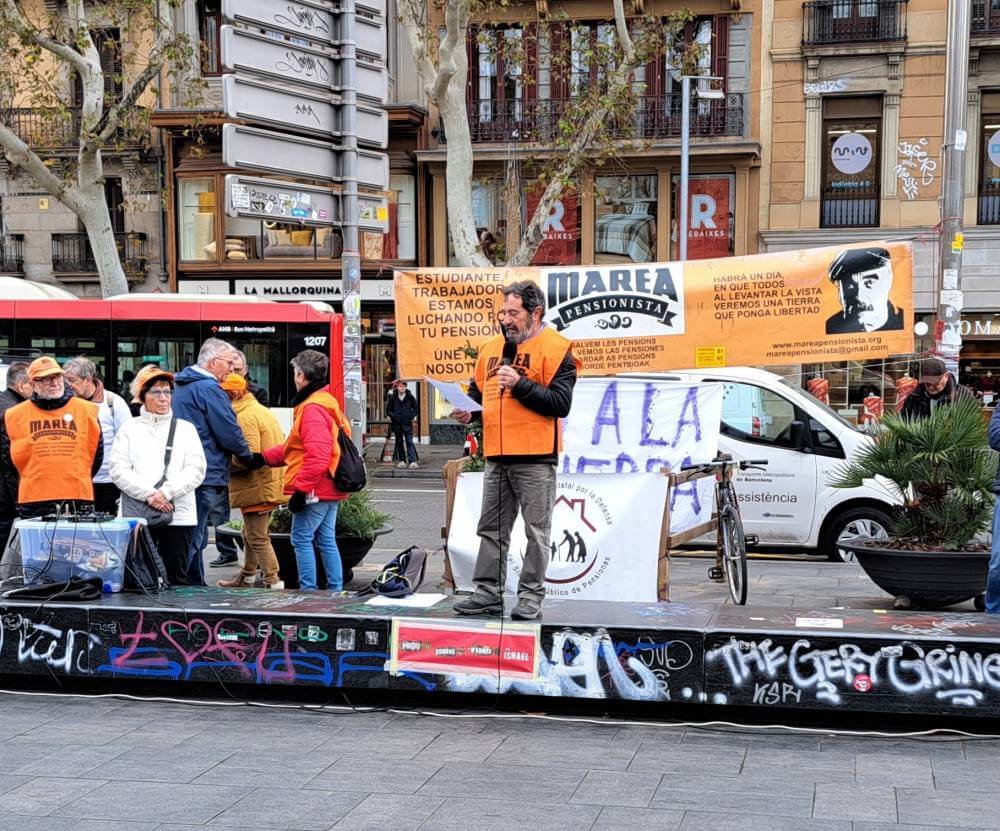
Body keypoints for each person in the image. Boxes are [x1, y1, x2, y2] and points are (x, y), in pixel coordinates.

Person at [451, 281, 579, 621]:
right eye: (503, 312)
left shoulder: (557, 349)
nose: (505, 319)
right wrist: (468, 410)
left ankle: (531, 596)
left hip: (536, 457)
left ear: (535, 313)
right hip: (496, 454)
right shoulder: (490, 348)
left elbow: (560, 404)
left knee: (536, 532)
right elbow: (479, 396)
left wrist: (520, 384)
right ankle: (488, 594)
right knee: (490, 529)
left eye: (513, 313)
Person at [171, 339, 261, 585]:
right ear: (213, 362)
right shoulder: (208, 388)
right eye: (228, 364)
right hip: (206, 469)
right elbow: (228, 430)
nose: (231, 370)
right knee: (196, 534)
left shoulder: (182, 385)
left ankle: (192, 583)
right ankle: (186, 587)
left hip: (183, 470)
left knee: (189, 531)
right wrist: (248, 456)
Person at [109, 366, 207, 585]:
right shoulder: (129, 429)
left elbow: (196, 469)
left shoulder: (186, 429)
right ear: (142, 396)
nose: (164, 398)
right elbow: (118, 469)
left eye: (168, 392)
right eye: (156, 392)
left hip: (179, 515)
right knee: (140, 578)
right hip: (138, 515)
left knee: (177, 577)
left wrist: (166, 492)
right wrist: (150, 494)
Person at [263, 349, 349, 592]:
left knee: (301, 538)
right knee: (326, 540)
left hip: (316, 488)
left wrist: (301, 491)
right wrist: (263, 458)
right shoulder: (327, 402)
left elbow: (317, 454)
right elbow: (296, 447)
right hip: (331, 484)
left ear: (300, 375)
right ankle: (335, 590)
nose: (294, 377)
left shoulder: (311, 408)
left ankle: (309, 592)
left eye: (294, 373)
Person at [0, 356, 103, 518]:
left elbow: (96, 455)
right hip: (33, 499)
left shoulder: (87, 411)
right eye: (45, 379)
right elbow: (8, 464)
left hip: (78, 497)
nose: (54, 383)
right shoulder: (14, 415)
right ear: (32, 384)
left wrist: (76, 477)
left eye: (56, 376)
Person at [217, 374, 287, 590]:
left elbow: (248, 455)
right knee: (248, 534)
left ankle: (272, 580)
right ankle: (247, 575)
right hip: (268, 482)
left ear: (234, 394)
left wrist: (223, 467)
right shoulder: (260, 410)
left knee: (257, 537)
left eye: (224, 395)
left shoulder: (244, 416)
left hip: (257, 485)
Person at [63, 357, 133, 516]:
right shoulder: (65, 403)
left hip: (107, 482)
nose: (68, 386)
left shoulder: (114, 403)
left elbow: (129, 441)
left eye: (72, 380)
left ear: (88, 380)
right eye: (65, 381)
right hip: (76, 482)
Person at [825, 247, 904, 335]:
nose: (859, 297)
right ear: (839, 292)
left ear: (888, 281)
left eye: (869, 282)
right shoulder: (830, 327)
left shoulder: (905, 321)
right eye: (849, 286)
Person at [0, 362, 31, 547]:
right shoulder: (13, 412)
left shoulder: (7, 403)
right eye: (33, 383)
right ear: (21, 385)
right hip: (5, 489)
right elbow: (8, 456)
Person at [900, 357, 974, 420]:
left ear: (946, 376)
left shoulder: (963, 395)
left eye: (935, 383)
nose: (930, 387)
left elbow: (971, 426)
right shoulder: (914, 397)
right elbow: (903, 423)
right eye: (926, 383)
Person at [386, 379, 419, 469]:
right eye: (400, 386)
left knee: (409, 442)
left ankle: (412, 461)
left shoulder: (410, 397)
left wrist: (411, 416)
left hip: (407, 423)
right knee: (399, 442)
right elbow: (388, 410)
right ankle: (402, 461)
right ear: (397, 387)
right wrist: (394, 416)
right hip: (397, 424)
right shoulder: (393, 397)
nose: (402, 388)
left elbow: (416, 408)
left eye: (404, 386)